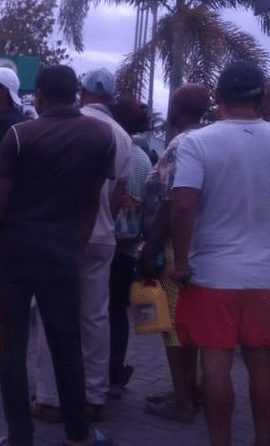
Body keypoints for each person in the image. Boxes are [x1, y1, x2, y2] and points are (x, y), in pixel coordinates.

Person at [0, 65, 115, 446]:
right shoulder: (101, 135)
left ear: (39, 96)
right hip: (62, 253)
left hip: (14, 254)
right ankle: (79, 434)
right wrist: (76, 247)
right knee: (67, 344)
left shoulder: (20, 135)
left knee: (12, 349)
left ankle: (19, 436)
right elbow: (93, 198)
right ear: (76, 94)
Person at [171, 61, 270, 446]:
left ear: (218, 98)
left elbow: (182, 206)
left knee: (215, 368)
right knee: (262, 366)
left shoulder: (198, 142)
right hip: (266, 277)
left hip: (212, 274)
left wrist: (180, 262)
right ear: (260, 97)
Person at [33, 68, 131, 423]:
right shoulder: (122, 135)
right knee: (95, 318)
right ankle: (93, 396)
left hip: (60, 234)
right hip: (102, 235)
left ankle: (48, 397)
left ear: (82, 91)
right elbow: (118, 194)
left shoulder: (59, 123)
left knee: (53, 315)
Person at [139, 84, 210, 424]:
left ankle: (183, 403)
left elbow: (172, 203)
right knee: (188, 327)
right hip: (200, 246)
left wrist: (150, 247)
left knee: (174, 328)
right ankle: (188, 389)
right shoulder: (207, 139)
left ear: (179, 109)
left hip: (174, 247)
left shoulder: (183, 144)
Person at [106, 96, 153, 399]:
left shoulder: (111, 148)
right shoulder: (144, 158)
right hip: (126, 249)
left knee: (94, 312)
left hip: (99, 240)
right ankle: (114, 375)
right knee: (116, 313)